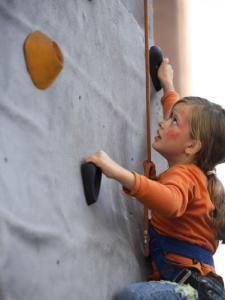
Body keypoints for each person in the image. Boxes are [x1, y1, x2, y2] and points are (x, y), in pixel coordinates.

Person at [86, 58, 225, 299]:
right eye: (170, 116)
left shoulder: (186, 176)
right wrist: (167, 85)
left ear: (192, 146)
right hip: (194, 288)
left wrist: (117, 172)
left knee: (134, 297)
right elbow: (180, 118)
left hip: (193, 291)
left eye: (173, 121)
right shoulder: (192, 170)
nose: (162, 123)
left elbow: (170, 202)